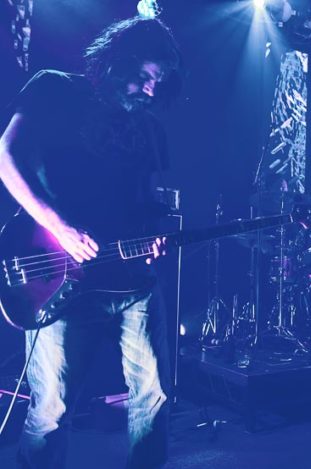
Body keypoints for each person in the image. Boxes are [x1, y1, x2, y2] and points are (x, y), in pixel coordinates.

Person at [0, 17, 182, 468]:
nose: (151, 89)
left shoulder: (149, 128)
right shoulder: (55, 89)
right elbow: (6, 156)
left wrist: (155, 235)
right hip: (58, 273)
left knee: (154, 397)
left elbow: (148, 203)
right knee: (51, 410)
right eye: (144, 76)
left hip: (133, 280)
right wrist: (60, 227)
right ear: (118, 61)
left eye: (158, 81)